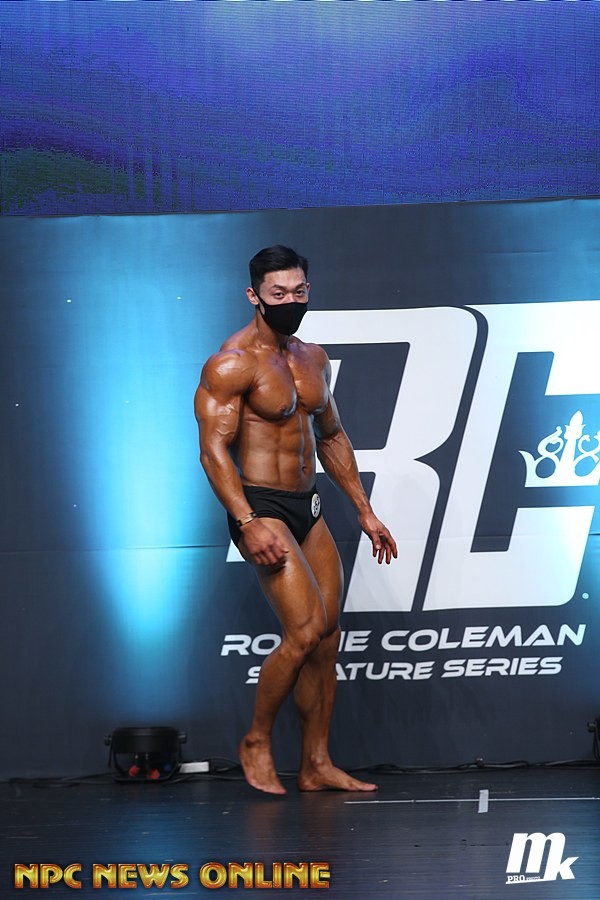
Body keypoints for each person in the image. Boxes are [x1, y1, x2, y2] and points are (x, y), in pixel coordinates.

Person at [194, 245, 397, 795]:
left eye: (299, 291)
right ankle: (257, 740)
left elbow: (331, 435)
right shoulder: (232, 363)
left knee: (327, 638)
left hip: (307, 506)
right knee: (304, 631)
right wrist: (246, 521)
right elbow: (213, 451)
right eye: (278, 293)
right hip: (261, 507)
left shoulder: (313, 359)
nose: (291, 301)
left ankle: (315, 763)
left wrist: (364, 510)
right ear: (254, 295)